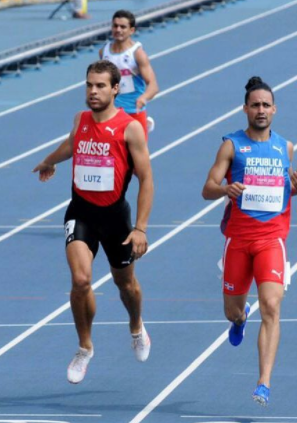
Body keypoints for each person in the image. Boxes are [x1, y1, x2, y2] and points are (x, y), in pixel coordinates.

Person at [33, 60, 154, 384]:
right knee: (81, 280)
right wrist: (49, 160)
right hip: (81, 213)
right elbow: (72, 145)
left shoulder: (130, 128)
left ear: (115, 89)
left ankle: (136, 326)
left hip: (115, 217)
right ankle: (85, 347)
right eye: (89, 84)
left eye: (100, 85)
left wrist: (140, 228)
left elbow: (147, 179)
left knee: (125, 285)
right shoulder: (80, 119)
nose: (93, 91)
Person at [202, 76, 297, 406]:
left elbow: (283, 190)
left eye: (266, 105)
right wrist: (225, 190)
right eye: (255, 105)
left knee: (272, 307)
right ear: (245, 109)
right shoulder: (231, 146)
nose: (260, 110)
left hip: (271, 240)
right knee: (232, 312)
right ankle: (239, 318)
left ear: (274, 110)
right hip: (238, 240)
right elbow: (207, 188)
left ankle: (263, 381)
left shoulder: (285, 147)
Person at [99, 10, 159, 140]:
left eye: (123, 27)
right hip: (111, 113)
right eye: (115, 26)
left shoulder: (137, 54)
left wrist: (143, 98)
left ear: (131, 30)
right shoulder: (104, 52)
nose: (118, 30)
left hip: (133, 112)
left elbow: (153, 86)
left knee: (136, 157)